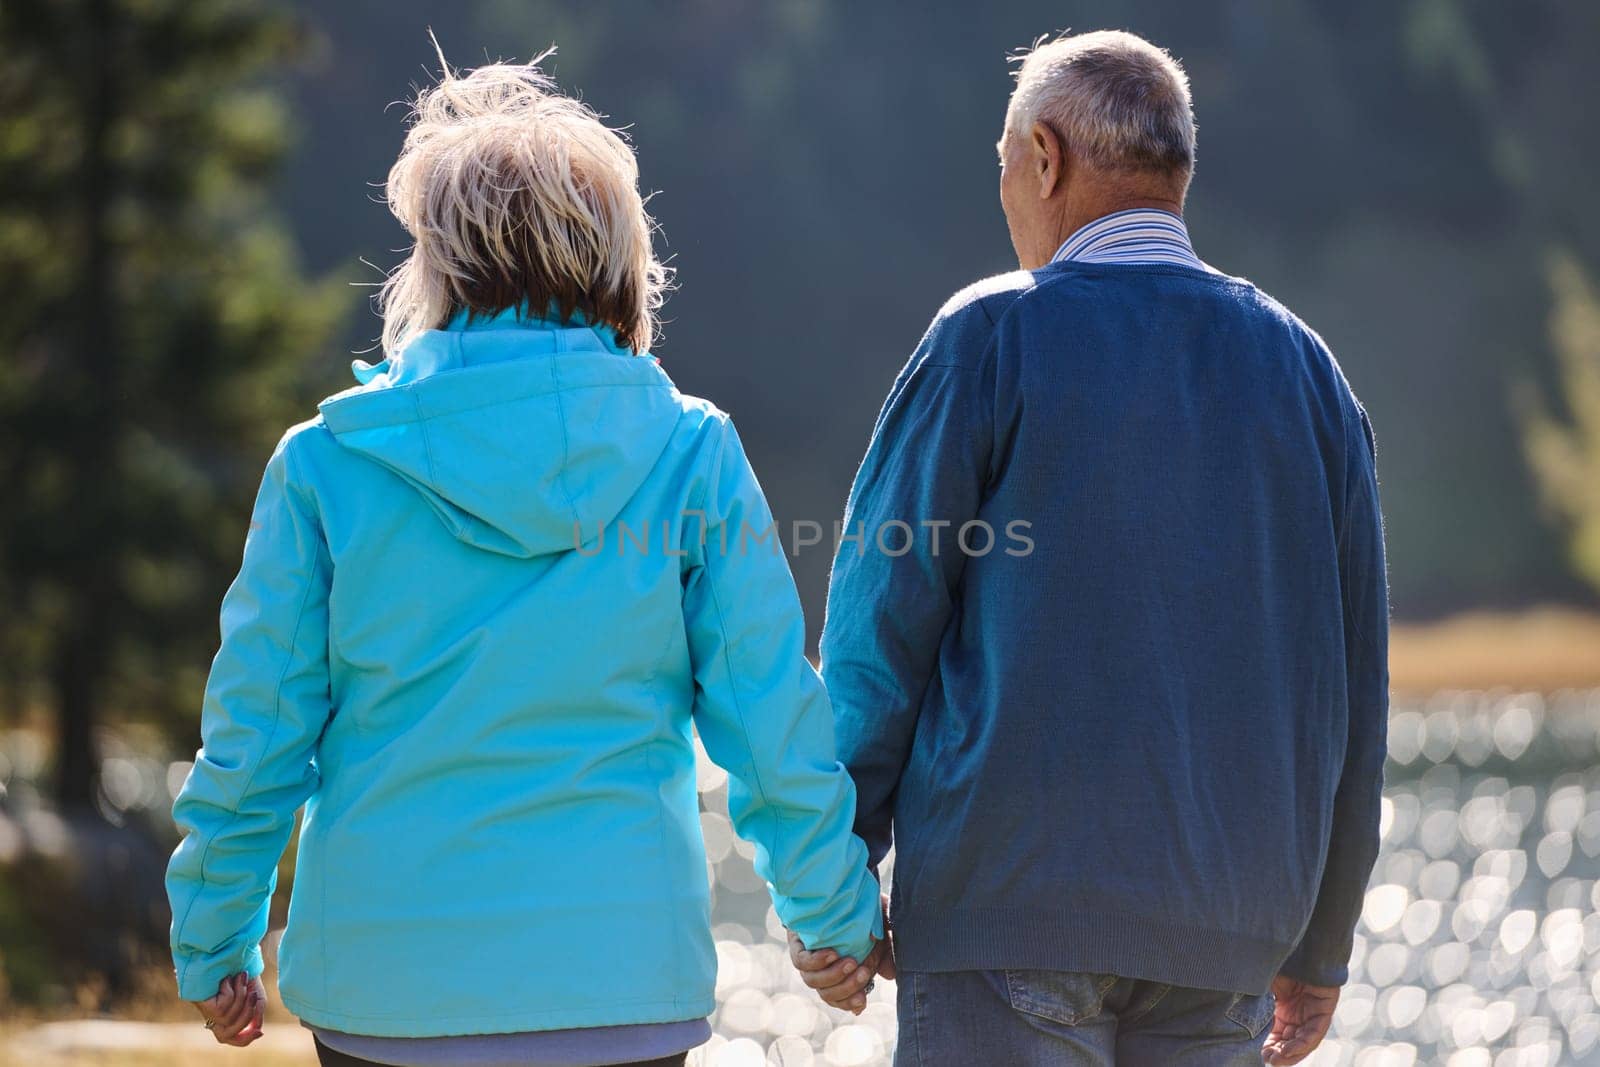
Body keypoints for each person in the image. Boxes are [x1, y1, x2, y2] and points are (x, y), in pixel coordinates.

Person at [165, 47, 885, 1067]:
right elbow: (770, 721)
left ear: (437, 259)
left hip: (389, 995)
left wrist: (212, 937)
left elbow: (258, 733)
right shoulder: (689, 452)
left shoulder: (328, 463)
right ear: (618, 257)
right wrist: (834, 917)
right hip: (621, 985)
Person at [797, 29, 1389, 1067]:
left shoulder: (986, 337)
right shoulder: (1309, 372)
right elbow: (1354, 686)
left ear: (1044, 156)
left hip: (1006, 910)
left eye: (1001, 168)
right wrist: (1324, 938)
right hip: (1227, 929)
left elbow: (881, 621)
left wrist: (834, 879)